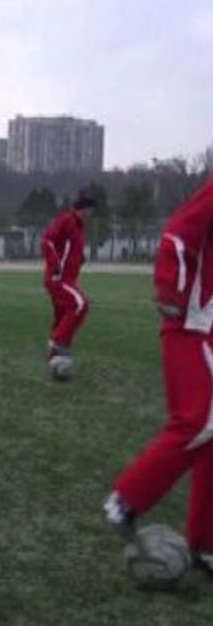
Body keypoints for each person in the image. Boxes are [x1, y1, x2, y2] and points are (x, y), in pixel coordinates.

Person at [104, 178, 213, 572]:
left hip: (207, 331)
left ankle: (204, 544)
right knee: (199, 419)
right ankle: (126, 499)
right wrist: (172, 292)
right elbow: (178, 234)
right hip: (192, 328)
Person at [42, 195, 98, 369]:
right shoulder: (66, 220)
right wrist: (55, 264)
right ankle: (58, 344)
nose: (91, 214)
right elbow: (46, 240)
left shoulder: (80, 228)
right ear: (81, 209)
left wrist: (80, 258)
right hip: (59, 277)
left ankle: (57, 353)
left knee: (62, 316)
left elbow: (69, 248)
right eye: (89, 210)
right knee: (80, 304)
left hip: (68, 278)